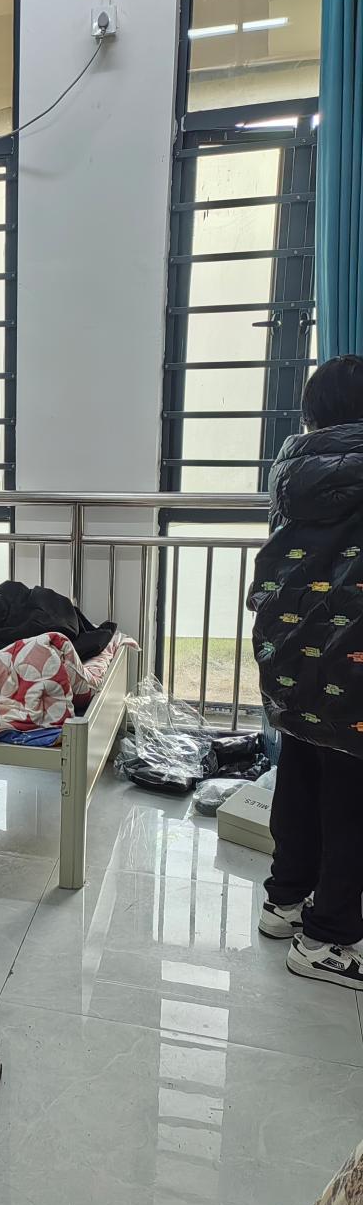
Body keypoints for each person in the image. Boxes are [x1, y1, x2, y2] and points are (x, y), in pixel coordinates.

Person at [249, 355, 363, 989]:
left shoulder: (292, 466)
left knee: (300, 772)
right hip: (352, 657)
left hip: (290, 653)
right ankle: (328, 939)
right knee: (351, 797)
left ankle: (286, 899)